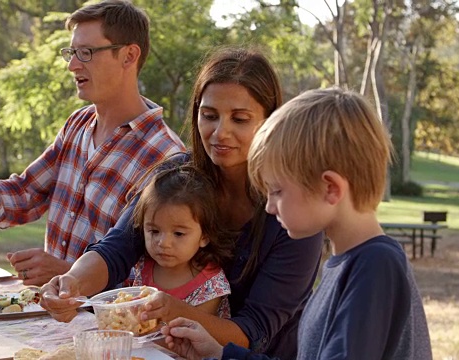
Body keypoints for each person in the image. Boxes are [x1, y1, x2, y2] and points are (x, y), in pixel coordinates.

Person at [39, 47, 324, 358]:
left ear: (270, 120)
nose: (220, 133)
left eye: (239, 119)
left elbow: (252, 333)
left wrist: (173, 310)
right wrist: (72, 284)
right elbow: (116, 248)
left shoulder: (297, 215)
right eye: (209, 115)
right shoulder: (174, 178)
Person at [0, 0, 185, 286]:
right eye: (71, 52)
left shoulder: (166, 158)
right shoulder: (77, 125)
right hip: (49, 319)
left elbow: (159, 278)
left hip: (106, 333)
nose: (71, 65)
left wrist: (71, 275)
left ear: (129, 56)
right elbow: (24, 194)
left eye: (85, 52)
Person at [161, 87, 433, 359]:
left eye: (277, 191)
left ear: (330, 188)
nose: (269, 206)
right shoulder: (349, 264)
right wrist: (220, 354)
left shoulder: (374, 267)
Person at [130, 163, 234, 317]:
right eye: (154, 231)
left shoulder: (210, 286)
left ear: (204, 236)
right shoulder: (143, 265)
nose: (163, 243)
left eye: (178, 234)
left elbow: (192, 332)